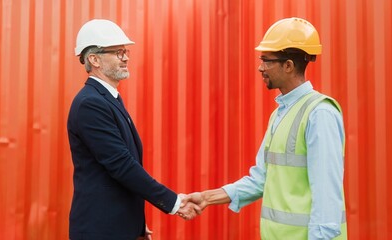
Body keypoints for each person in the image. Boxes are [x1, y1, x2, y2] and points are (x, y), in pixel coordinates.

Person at [185, 17, 347, 240]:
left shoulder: (320, 113)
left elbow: (327, 195)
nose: (260, 67)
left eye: (266, 60)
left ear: (288, 66)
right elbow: (261, 178)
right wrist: (208, 198)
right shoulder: (281, 112)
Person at [67, 19, 199, 240]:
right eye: (118, 52)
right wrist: (173, 203)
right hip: (100, 231)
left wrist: (135, 223)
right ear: (94, 59)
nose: (126, 57)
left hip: (115, 228)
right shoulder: (91, 104)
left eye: (125, 51)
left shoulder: (108, 98)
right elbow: (121, 165)